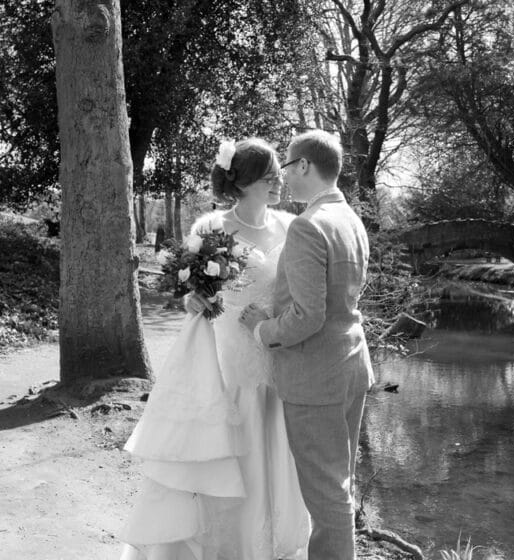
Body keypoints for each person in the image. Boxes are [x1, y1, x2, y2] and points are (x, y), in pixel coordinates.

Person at [119, 138, 310, 560]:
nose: (279, 182)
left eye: (278, 174)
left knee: (275, 452)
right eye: (269, 176)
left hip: (277, 355)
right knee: (227, 452)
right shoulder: (211, 227)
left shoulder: (291, 227)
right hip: (227, 359)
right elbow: (192, 293)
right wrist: (193, 300)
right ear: (242, 182)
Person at [240, 129, 374, 560]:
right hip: (353, 365)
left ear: (303, 165)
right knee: (340, 485)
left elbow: (307, 316)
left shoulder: (308, 226)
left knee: (326, 494)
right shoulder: (350, 220)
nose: (283, 177)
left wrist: (262, 329)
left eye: (286, 167)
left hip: (316, 377)